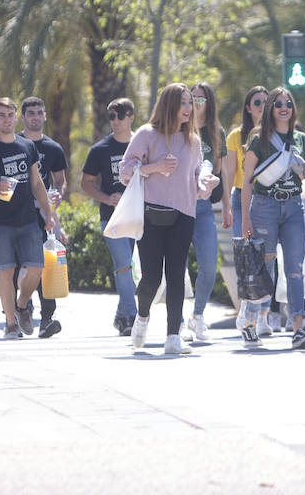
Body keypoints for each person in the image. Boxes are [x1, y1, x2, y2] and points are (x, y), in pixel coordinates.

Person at [118, 83, 218, 355]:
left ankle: (173, 335)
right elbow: (125, 172)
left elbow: (196, 177)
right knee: (151, 277)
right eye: (184, 103)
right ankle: (142, 316)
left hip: (184, 215)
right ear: (170, 105)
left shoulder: (193, 141)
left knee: (176, 275)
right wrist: (154, 168)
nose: (190, 108)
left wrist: (205, 182)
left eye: (191, 103)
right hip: (150, 214)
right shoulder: (146, 134)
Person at [240, 87, 305, 349]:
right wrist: (245, 220)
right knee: (263, 267)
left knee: (295, 267)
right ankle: (250, 321)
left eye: (288, 103)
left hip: (294, 207)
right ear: (270, 109)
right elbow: (247, 182)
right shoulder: (259, 140)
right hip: (265, 207)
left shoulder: (300, 138)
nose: (284, 107)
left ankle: (298, 326)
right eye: (278, 104)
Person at [0, 97, 53, 339]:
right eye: (1, 115)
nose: (6, 119)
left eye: (10, 115)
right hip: (2, 222)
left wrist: (49, 214)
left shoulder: (27, 146)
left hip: (28, 219)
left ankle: (22, 304)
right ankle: (10, 323)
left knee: (36, 269)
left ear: (16, 117)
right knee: (7, 272)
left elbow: (37, 183)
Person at [82, 98, 139, 336]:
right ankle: (134, 317)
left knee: (126, 266)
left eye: (120, 116)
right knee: (124, 266)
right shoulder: (100, 150)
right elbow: (85, 183)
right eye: (111, 117)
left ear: (131, 117)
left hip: (138, 215)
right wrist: (106, 198)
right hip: (112, 217)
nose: (115, 121)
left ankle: (121, 316)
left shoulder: (142, 144)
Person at [225, 86, 276, 334]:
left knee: (268, 259)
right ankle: (247, 309)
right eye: (257, 102)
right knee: (246, 257)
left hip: (268, 199)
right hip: (241, 199)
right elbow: (229, 172)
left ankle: (264, 315)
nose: (262, 107)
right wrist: (227, 204)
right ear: (248, 107)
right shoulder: (236, 136)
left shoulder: (278, 134)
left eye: (267, 102)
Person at [18, 96, 68, 339]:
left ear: (45, 115)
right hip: (16, 214)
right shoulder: (14, 144)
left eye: (39, 112)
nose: (35, 117)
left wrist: (57, 197)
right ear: (23, 117)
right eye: (31, 113)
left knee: (45, 266)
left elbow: (60, 181)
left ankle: (47, 319)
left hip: (43, 215)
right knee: (20, 266)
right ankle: (21, 310)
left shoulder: (53, 148)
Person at [185, 82, 228, 341]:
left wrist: (225, 205)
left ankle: (197, 316)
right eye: (192, 99)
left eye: (201, 100)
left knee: (209, 265)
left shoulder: (215, 132)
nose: (195, 104)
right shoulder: (178, 129)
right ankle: (176, 321)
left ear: (209, 104)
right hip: (177, 204)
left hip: (203, 207)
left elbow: (220, 172)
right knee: (176, 268)